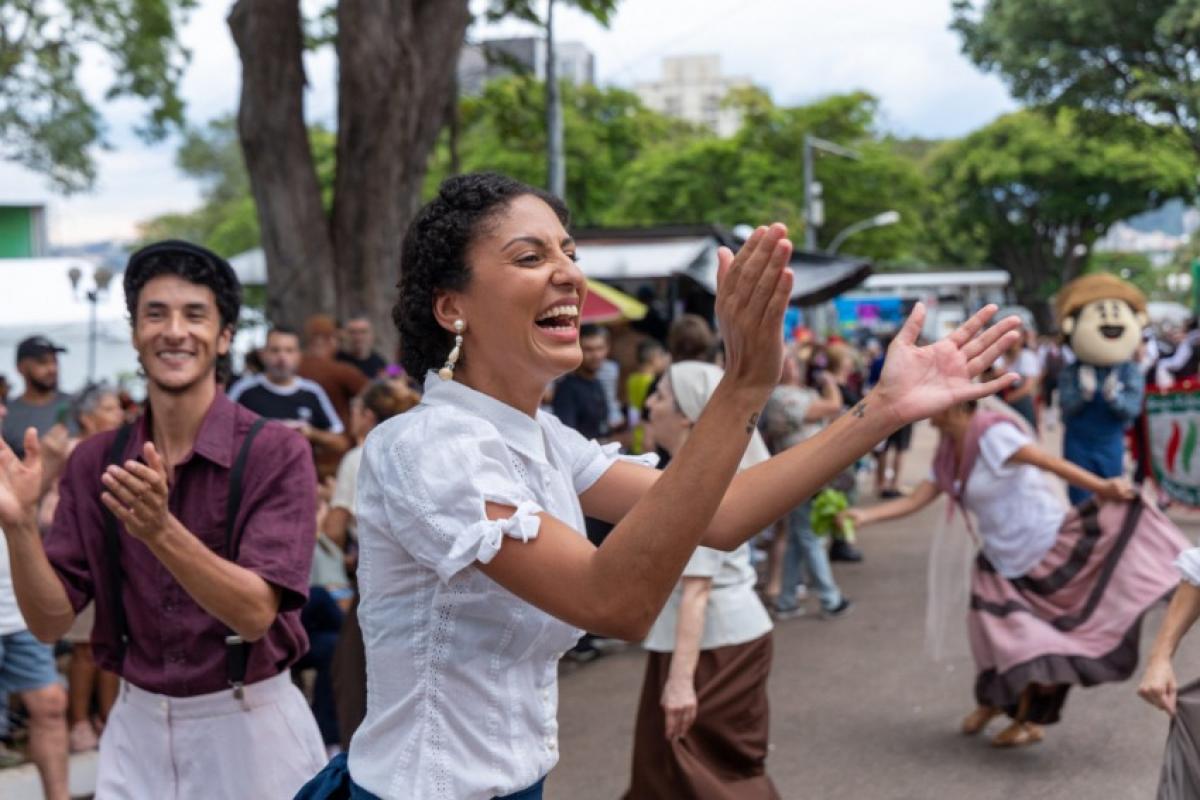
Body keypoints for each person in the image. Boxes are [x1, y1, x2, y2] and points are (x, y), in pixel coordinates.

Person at [294, 172, 1020, 800]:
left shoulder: (543, 438)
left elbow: (721, 514)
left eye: (569, 252)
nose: (569, 273)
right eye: (531, 256)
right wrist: (741, 386)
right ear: (452, 307)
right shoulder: (430, 446)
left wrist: (883, 408)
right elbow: (614, 601)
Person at [0, 240, 326, 797]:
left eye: (195, 315)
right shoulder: (96, 460)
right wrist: (19, 525)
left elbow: (254, 615)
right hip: (136, 724)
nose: (175, 331)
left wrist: (160, 530)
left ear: (224, 336)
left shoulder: (275, 451)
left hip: (250, 721)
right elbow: (50, 623)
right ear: (135, 334)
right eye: (156, 314)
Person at [842, 398, 1189, 747]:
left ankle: (1029, 721)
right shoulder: (948, 452)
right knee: (987, 637)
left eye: (933, 405)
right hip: (999, 558)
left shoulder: (993, 435)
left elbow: (1049, 463)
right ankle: (993, 701)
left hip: (1043, 548)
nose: (926, 412)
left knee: (1030, 644)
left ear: (954, 408)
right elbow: (916, 499)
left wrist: (1102, 488)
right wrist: (864, 516)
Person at [626, 361, 777, 799]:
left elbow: (697, 589)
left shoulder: (702, 481)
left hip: (710, 647)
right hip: (714, 641)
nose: (650, 406)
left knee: (699, 775)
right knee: (683, 773)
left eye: (660, 396)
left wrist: (679, 682)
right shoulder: (697, 472)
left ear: (688, 416)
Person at [327, 381, 420, 751]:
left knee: (355, 681)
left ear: (367, 416)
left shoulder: (360, 455)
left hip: (376, 585)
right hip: (421, 581)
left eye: (354, 411)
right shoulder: (415, 446)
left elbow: (334, 530)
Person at [41, 384, 126, 754]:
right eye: (109, 408)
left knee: (112, 646)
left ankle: (108, 719)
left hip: (114, 561)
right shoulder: (73, 452)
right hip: (83, 561)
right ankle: (79, 722)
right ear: (87, 418)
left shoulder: (123, 451)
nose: (118, 414)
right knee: (84, 648)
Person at [0, 395, 69, 800]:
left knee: (50, 705)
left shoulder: (7, 456)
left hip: (18, 609)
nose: (4, 411)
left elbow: (21, 515)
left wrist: (52, 466)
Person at [761, 353, 851, 619]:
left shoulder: (805, 392)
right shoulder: (779, 397)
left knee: (798, 538)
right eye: (784, 363)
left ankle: (787, 600)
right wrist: (831, 384)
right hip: (798, 472)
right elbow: (832, 406)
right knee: (809, 537)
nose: (791, 366)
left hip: (812, 471)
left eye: (793, 362)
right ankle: (830, 598)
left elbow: (831, 413)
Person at [229, 326, 351, 468]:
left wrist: (311, 433)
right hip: (251, 473)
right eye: (275, 350)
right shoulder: (244, 390)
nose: (282, 357)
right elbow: (221, 431)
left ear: (299, 355)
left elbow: (340, 442)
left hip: (299, 473)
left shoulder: (312, 392)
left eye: (289, 350)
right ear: (263, 354)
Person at [2, 336, 77, 459]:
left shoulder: (77, 405)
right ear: (21, 368)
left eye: (54, 361)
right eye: (42, 362)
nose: (52, 369)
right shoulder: (6, 415)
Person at [551, 323, 612, 441]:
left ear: (607, 349)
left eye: (600, 348)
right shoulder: (567, 389)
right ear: (577, 350)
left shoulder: (597, 383)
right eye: (589, 349)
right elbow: (568, 440)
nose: (596, 355)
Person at [625, 339, 669, 455]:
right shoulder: (652, 383)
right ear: (653, 358)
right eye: (661, 357)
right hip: (648, 435)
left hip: (635, 432)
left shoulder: (632, 379)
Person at [337, 314, 388, 379]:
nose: (358, 337)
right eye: (353, 332)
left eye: (363, 332)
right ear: (344, 335)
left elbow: (394, 369)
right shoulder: (338, 360)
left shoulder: (378, 361)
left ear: (372, 335)